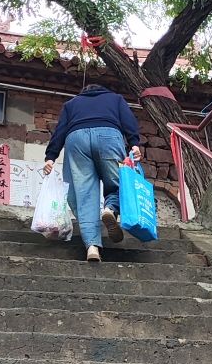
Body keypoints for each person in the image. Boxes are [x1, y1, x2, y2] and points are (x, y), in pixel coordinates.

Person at [43, 82, 142, 261]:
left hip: (76, 140)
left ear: (83, 93)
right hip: (109, 136)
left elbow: (60, 131)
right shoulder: (115, 99)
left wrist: (50, 156)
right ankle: (110, 210)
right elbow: (129, 121)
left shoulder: (71, 104)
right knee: (119, 182)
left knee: (84, 194)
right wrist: (134, 143)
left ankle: (92, 247)